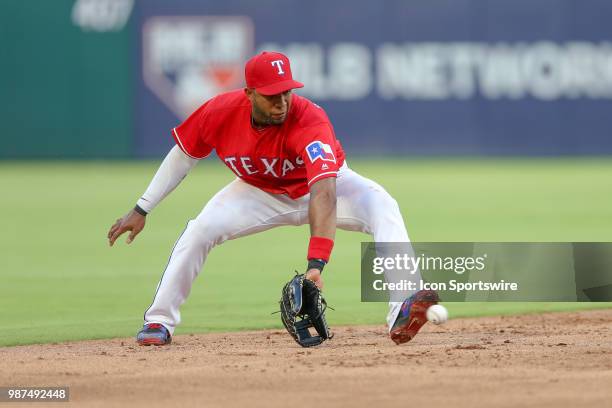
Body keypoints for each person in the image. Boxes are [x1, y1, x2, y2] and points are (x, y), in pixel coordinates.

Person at [107, 51, 439, 346]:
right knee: (198, 231)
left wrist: (316, 264)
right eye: (271, 96)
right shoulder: (219, 111)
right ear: (249, 92)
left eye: (286, 92)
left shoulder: (309, 119)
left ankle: (402, 308)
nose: (281, 102)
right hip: (256, 192)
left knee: (384, 207)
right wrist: (142, 208)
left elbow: (324, 191)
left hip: (325, 186)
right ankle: (158, 320)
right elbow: (183, 155)